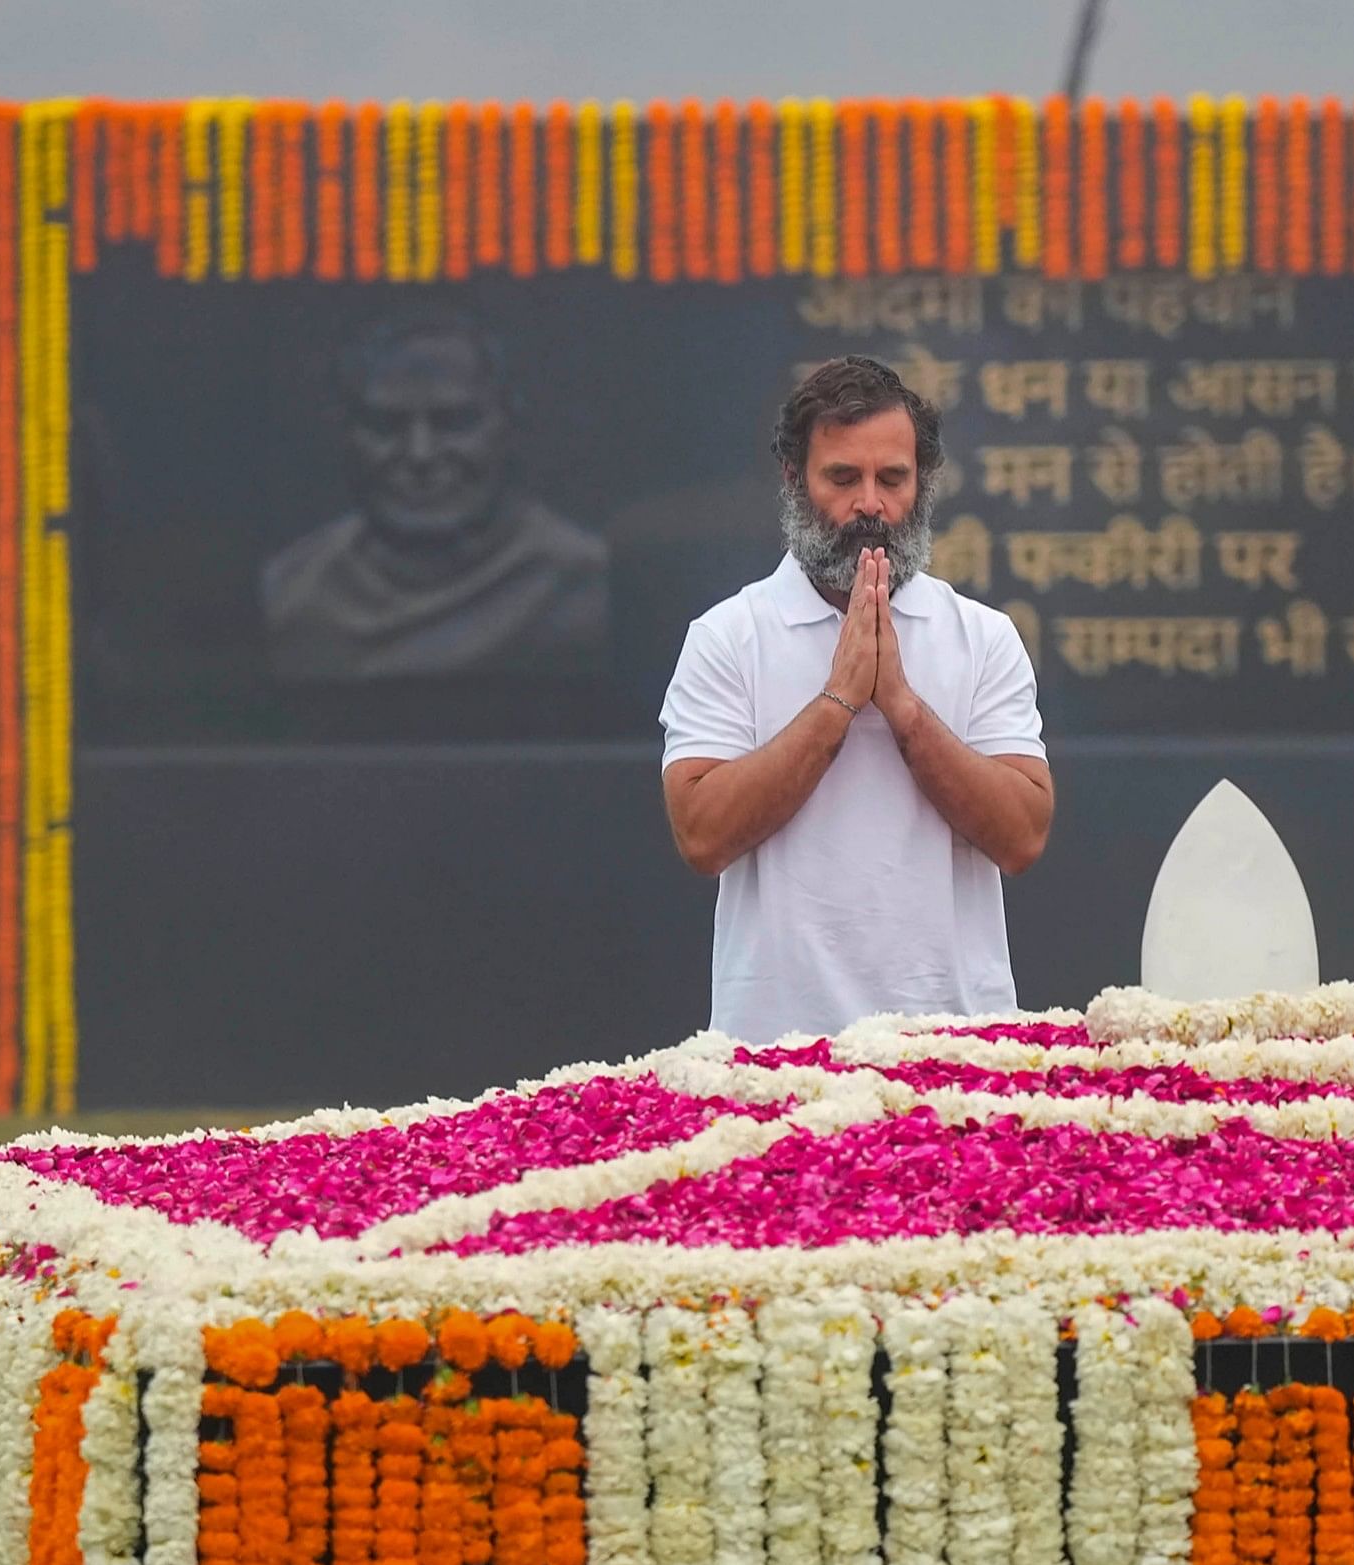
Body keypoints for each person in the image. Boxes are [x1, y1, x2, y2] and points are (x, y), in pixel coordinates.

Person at [658, 355, 1054, 1040]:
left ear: (921, 487)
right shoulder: (727, 637)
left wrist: (901, 707)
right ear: (794, 480)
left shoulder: (983, 637)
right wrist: (837, 702)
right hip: (773, 1055)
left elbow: (1022, 836)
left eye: (891, 479)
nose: (870, 505)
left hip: (959, 1055)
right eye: (842, 478)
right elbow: (701, 834)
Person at [263, 312, 610, 680]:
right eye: (386, 425)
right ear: (345, 435)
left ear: (509, 427)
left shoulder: (587, 583)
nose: (420, 454)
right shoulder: (289, 591)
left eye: (455, 422)